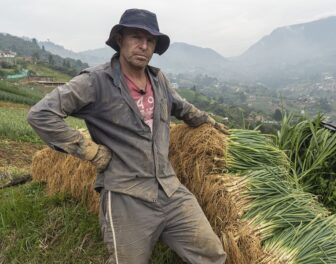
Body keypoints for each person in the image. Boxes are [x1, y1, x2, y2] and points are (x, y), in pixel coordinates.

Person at [27, 8, 227, 264]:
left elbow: (182, 107)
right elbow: (41, 114)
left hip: (169, 189)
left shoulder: (158, 80)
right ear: (120, 39)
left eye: (150, 40)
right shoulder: (95, 81)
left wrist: (209, 122)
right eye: (136, 37)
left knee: (213, 255)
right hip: (126, 194)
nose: (143, 46)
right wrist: (90, 151)